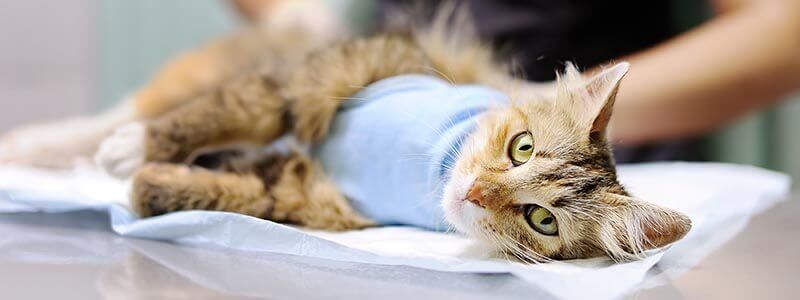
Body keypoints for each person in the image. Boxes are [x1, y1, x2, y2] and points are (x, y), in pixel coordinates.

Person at [232, 0, 800, 163]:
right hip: (400, 126)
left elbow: (784, 29)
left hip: (593, 164)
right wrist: (295, 13)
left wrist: (550, 109)